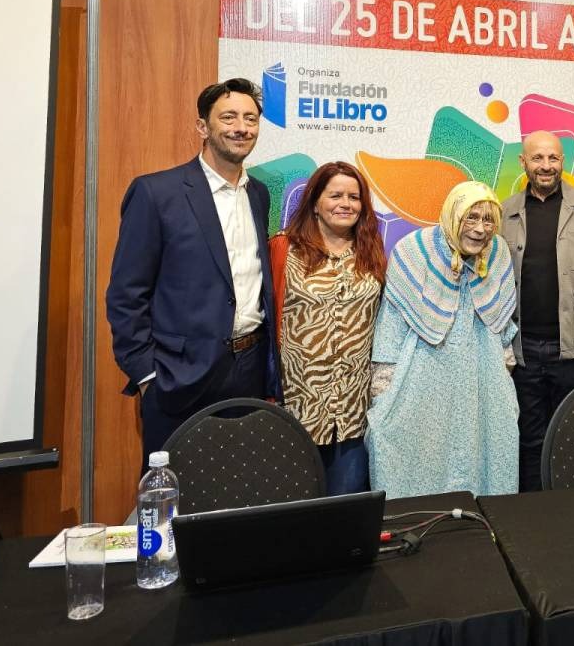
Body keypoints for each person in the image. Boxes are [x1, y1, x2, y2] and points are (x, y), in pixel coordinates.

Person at [107, 78, 280, 464]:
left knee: (239, 489)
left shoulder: (258, 194)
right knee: (175, 497)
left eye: (250, 119)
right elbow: (126, 294)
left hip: (248, 373)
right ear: (203, 126)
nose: (241, 128)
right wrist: (148, 376)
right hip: (178, 377)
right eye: (229, 117)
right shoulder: (156, 193)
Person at [365, 181, 519, 498]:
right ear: (452, 215)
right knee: (419, 456)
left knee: (486, 452)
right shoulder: (412, 251)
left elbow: (502, 321)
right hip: (422, 376)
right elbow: (392, 323)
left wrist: (505, 370)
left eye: (488, 219)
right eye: (471, 218)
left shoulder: (499, 251)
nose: (480, 229)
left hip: (482, 378)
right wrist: (383, 390)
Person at [501, 130, 574, 492]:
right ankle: (534, 513)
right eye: (538, 159)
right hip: (523, 351)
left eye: (553, 158)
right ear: (524, 162)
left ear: (563, 161)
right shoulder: (506, 210)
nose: (546, 166)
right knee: (529, 439)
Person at [268, 162, 386, 496]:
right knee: (293, 512)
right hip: (295, 408)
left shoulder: (371, 253)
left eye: (354, 196)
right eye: (335, 195)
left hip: (353, 411)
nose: (345, 203)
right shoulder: (283, 249)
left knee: (345, 516)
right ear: (315, 202)